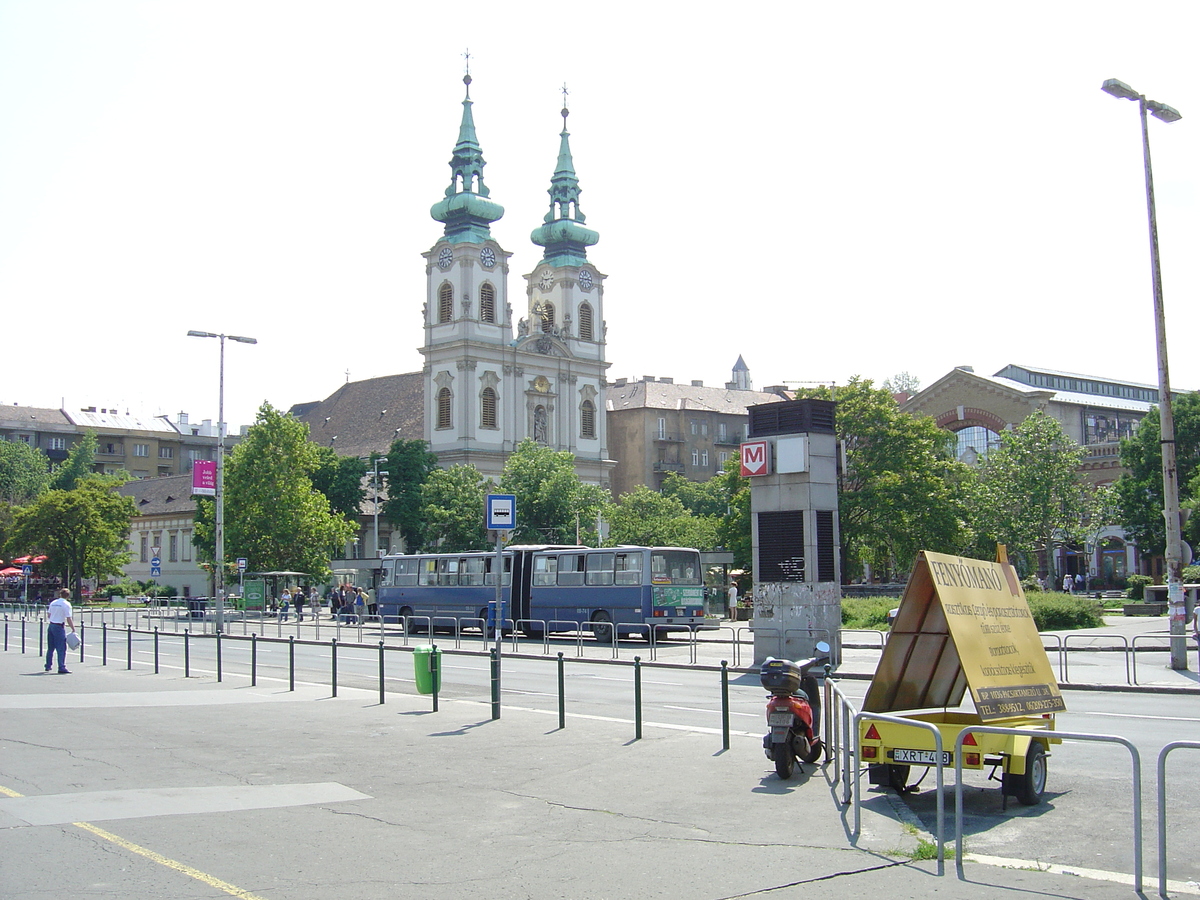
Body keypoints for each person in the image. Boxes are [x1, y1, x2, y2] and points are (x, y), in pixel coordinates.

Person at [45, 588, 76, 674]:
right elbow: (68, 618)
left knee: (50, 647)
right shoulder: (66, 604)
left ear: (60, 594)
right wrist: (73, 628)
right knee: (61, 648)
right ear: (68, 596)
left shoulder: (53, 603)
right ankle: (61, 667)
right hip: (59, 626)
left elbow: (49, 615)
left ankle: (48, 665)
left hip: (51, 625)